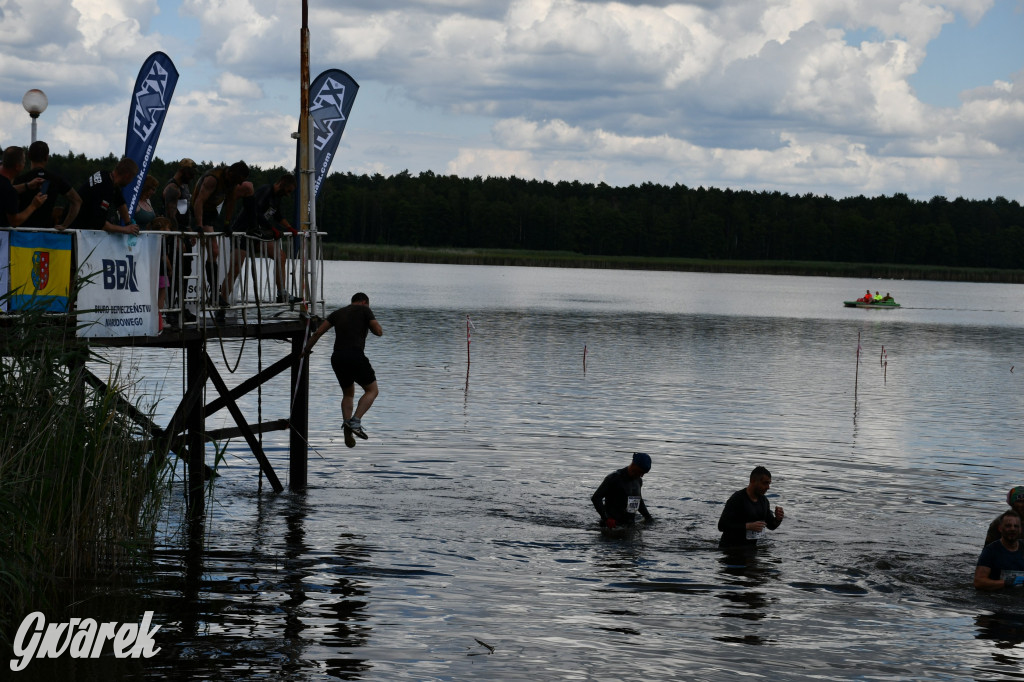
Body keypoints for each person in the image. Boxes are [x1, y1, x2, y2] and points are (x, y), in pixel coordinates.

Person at [303, 292, 383, 447]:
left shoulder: (337, 313)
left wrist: (306, 351)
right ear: (364, 302)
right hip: (355, 355)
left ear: (352, 301)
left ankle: (347, 425)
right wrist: (373, 325)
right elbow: (378, 332)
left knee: (348, 393)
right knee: (372, 390)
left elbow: (318, 332)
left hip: (337, 357)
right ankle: (355, 421)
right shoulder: (364, 310)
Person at [219, 173, 300, 311]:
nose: (287, 194)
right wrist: (272, 229)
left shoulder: (276, 198)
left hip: (257, 234)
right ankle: (222, 301)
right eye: (288, 191)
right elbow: (256, 212)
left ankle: (281, 293)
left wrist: (289, 228)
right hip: (243, 233)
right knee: (236, 268)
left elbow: (278, 215)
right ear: (282, 183)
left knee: (280, 256)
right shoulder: (265, 191)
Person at [162, 158, 198, 326]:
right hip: (174, 236)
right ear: (183, 171)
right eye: (190, 173)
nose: (192, 177)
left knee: (186, 271)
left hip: (183, 234)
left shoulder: (185, 187)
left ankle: (182, 307)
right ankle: (170, 310)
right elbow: (171, 216)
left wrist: (190, 230)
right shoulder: (172, 188)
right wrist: (177, 237)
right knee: (174, 273)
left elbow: (185, 213)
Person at [14, 140, 81, 229]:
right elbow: (77, 201)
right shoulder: (56, 179)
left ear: (29, 156)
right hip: (46, 235)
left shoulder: (20, 180)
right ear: (47, 157)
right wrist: (65, 225)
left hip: (22, 234)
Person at [718, 465, 784, 548]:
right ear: (753, 481)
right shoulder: (737, 498)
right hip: (730, 549)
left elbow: (771, 525)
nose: (768, 487)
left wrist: (778, 519)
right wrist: (748, 526)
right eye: (765, 483)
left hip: (751, 548)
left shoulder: (764, 501)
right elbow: (721, 526)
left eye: (769, 483)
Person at [69, 157, 139, 235]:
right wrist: (125, 229)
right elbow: (100, 224)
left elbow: (120, 203)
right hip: (74, 230)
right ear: (127, 176)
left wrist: (128, 224)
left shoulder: (105, 175)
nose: (131, 182)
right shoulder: (105, 188)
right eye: (132, 178)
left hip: (73, 223)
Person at [591, 452, 654, 528]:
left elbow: (638, 501)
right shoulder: (614, 478)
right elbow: (596, 498)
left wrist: (648, 517)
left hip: (630, 524)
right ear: (634, 464)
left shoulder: (638, 481)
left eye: (644, 473)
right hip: (612, 526)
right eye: (640, 471)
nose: (641, 475)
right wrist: (606, 518)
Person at [975, 511, 1024, 591]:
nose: (1012, 529)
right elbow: (978, 582)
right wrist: (1006, 583)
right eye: (1008, 526)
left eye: (1016, 526)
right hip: (997, 597)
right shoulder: (990, 551)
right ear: (1000, 528)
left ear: (1020, 529)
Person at [0, 146, 47, 228]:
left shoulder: (6, 188)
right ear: (17, 166)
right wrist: (34, 205)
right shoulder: (9, 191)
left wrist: (27, 186)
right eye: (24, 162)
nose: (24, 165)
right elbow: (14, 222)